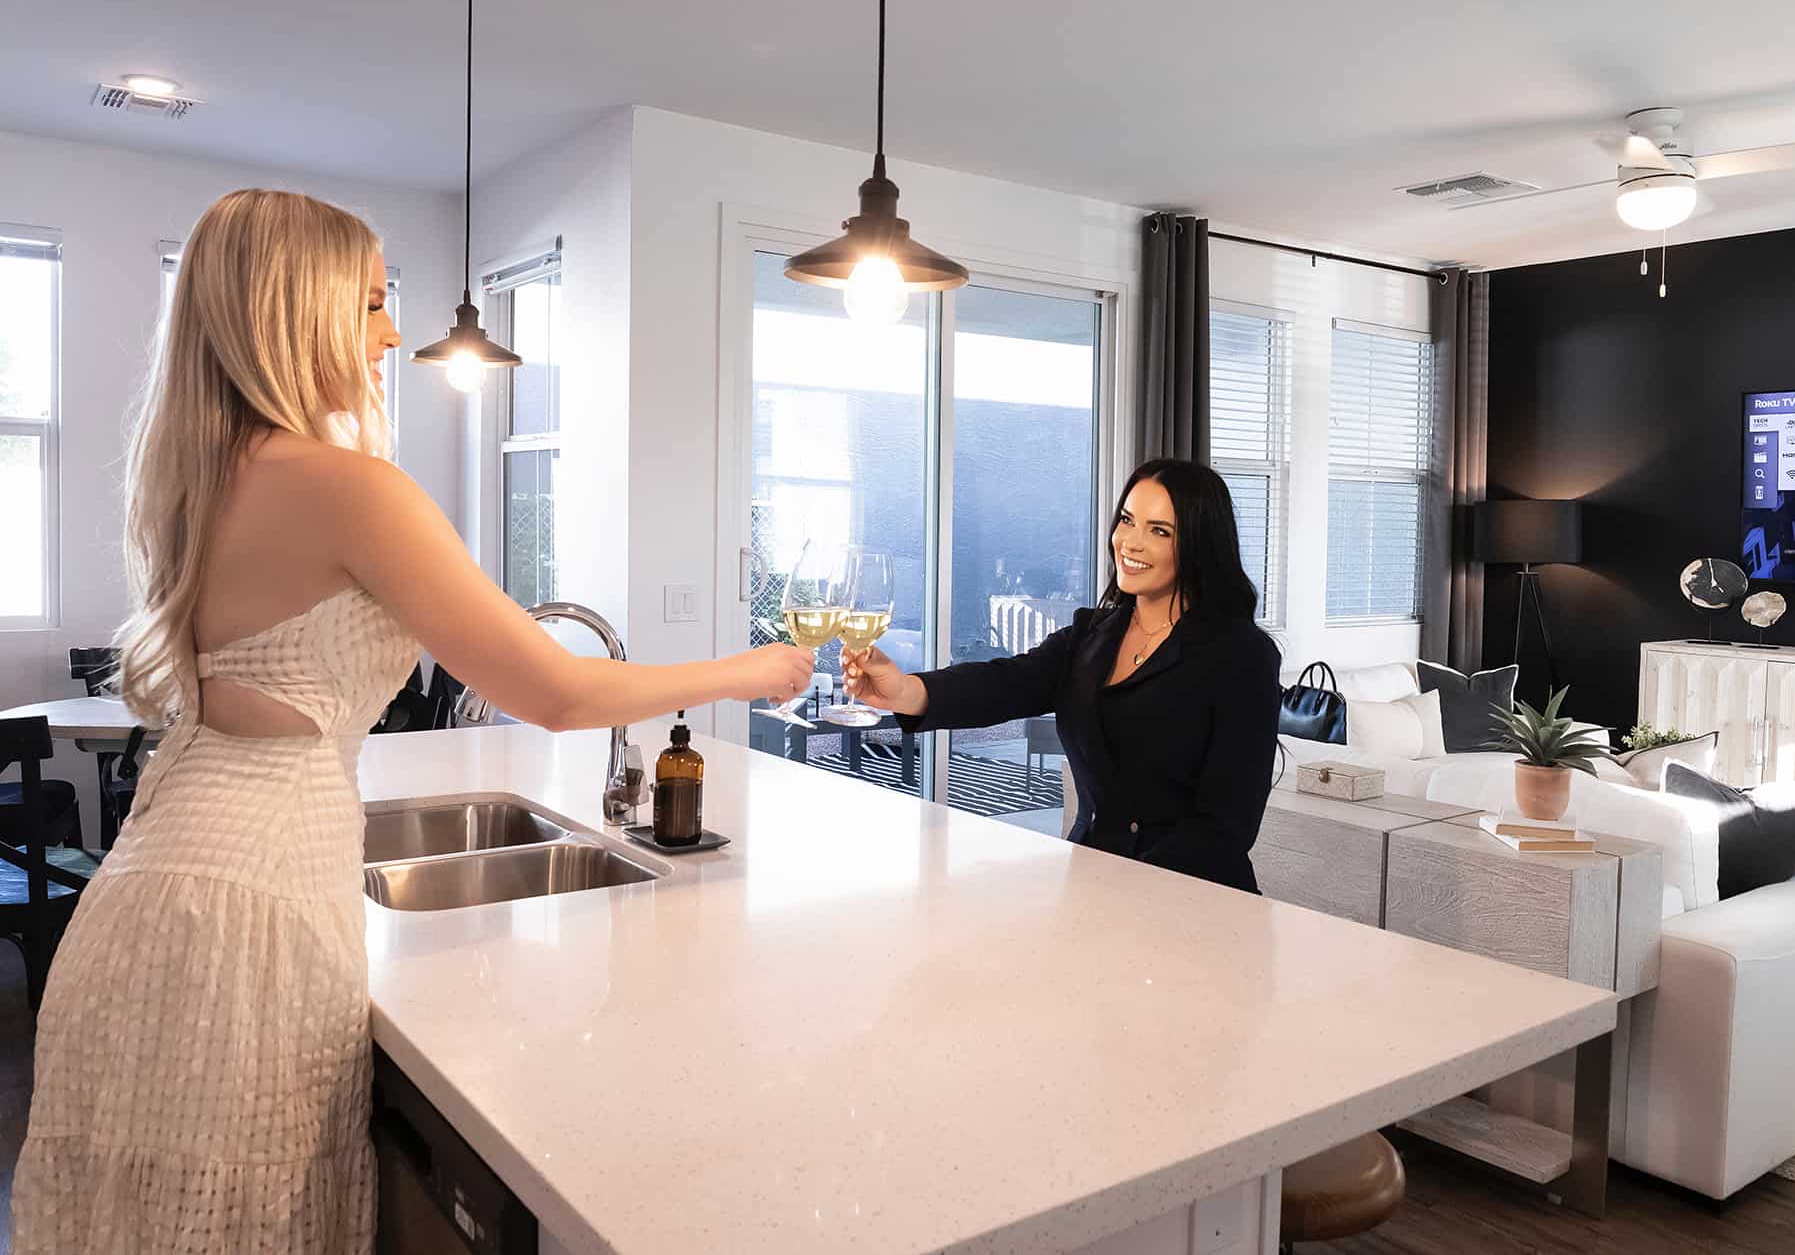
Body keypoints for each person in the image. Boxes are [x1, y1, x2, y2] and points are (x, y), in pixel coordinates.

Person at [10, 189, 813, 1253]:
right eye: (375, 301)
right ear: (293, 309)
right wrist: (745, 668)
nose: (393, 332)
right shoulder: (350, 489)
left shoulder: (194, 478)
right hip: (251, 914)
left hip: (150, 894)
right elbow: (555, 692)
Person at [843, 458, 1280, 892]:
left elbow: (1227, 827)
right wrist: (902, 689)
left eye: (1160, 531)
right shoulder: (1091, 636)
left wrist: (1127, 890)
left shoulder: (1242, 656)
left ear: (1200, 546)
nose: (1131, 542)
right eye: (1127, 520)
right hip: (1091, 887)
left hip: (1195, 905)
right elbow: (1003, 684)